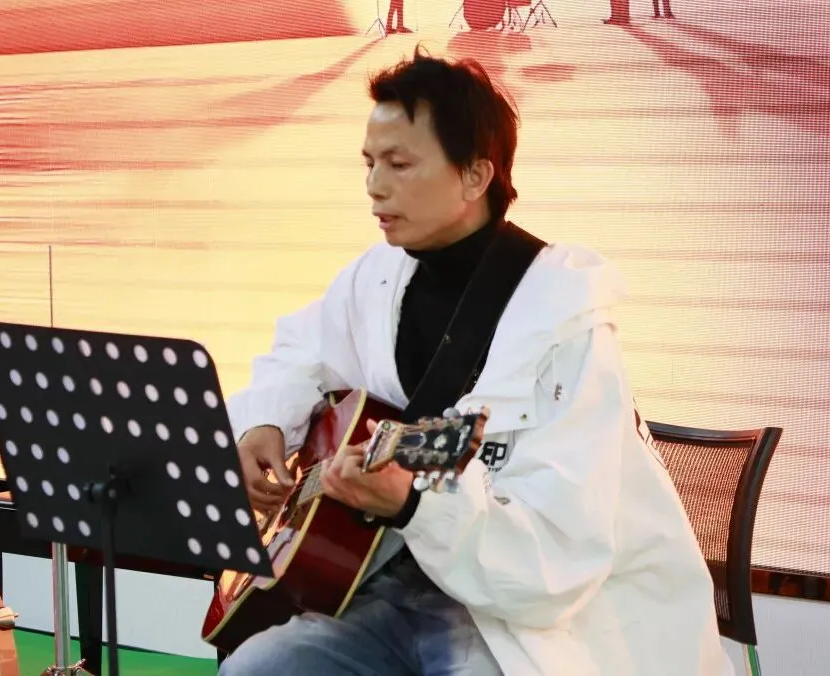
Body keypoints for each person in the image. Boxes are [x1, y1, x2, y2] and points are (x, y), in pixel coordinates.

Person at [219, 48, 733, 675]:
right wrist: (264, 423)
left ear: (475, 176)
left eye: (399, 164)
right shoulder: (376, 276)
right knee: (256, 668)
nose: (374, 186)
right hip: (390, 590)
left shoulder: (564, 321)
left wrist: (416, 507)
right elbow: (300, 352)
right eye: (369, 163)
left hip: (540, 626)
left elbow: (560, 562)